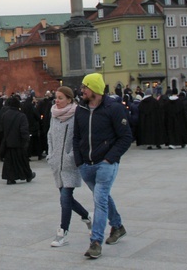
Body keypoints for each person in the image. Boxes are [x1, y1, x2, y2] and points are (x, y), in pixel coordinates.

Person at [74, 73, 133, 259]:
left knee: (99, 199)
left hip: (105, 163)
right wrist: (79, 160)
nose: (82, 90)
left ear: (95, 90)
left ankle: (96, 242)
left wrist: (110, 158)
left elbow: (125, 137)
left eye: (85, 87)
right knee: (103, 197)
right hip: (86, 164)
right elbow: (76, 137)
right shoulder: (81, 109)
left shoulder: (113, 108)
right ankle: (117, 226)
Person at [46, 86, 92, 247]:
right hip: (56, 164)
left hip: (70, 163)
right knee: (67, 199)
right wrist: (50, 154)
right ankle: (87, 217)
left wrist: (70, 155)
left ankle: (62, 232)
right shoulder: (53, 115)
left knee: (65, 197)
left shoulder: (76, 114)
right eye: (56, 98)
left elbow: (80, 138)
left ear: (69, 99)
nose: (57, 101)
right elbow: (50, 135)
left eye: (60, 98)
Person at [0, 95, 35, 185]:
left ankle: (10, 178)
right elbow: (24, 130)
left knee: (9, 162)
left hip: (8, 142)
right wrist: (26, 140)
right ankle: (27, 175)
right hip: (19, 143)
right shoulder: (21, 116)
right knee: (22, 160)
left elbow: (1, 129)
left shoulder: (4, 115)